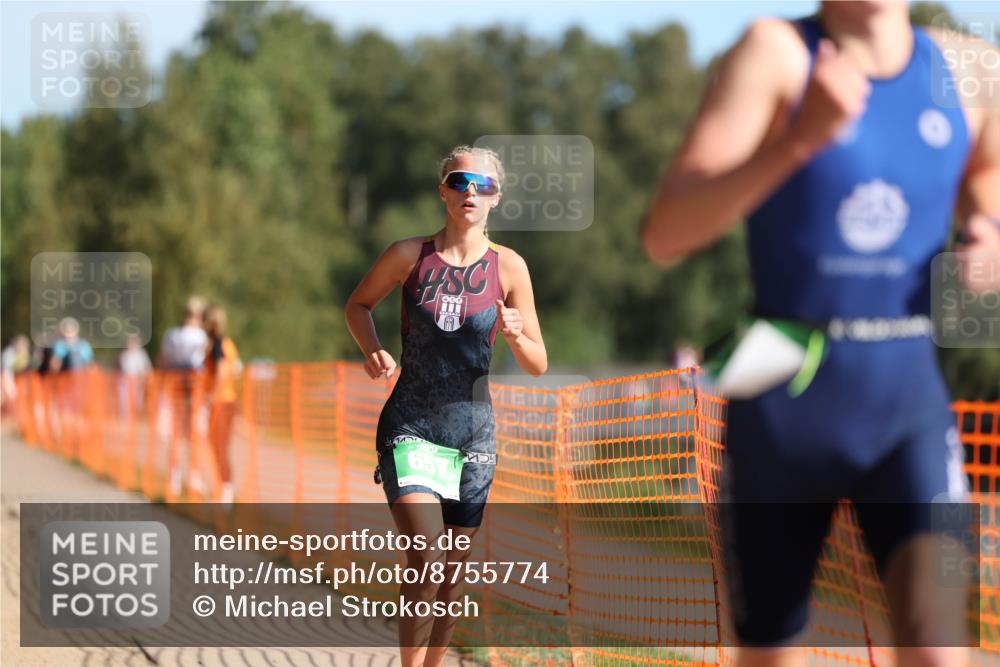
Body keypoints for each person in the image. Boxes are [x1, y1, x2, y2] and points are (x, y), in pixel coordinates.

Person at [641, 2, 999, 666]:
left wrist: (989, 230)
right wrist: (801, 138)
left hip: (909, 404)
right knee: (770, 653)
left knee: (941, 641)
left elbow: (987, 171)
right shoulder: (776, 52)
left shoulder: (971, 67)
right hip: (784, 398)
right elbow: (665, 233)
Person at [345, 145, 547, 667]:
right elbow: (358, 304)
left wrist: (518, 335)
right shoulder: (409, 256)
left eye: (482, 185)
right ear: (443, 191)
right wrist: (372, 350)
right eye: (460, 182)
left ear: (496, 197)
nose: (470, 192)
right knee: (426, 553)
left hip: (473, 434)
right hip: (411, 421)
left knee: (452, 577)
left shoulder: (510, 269)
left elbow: (537, 362)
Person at [158, 295, 210, 498]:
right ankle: (194, 479)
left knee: (176, 436)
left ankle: (175, 478)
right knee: (195, 436)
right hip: (195, 390)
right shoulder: (203, 337)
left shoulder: (173, 335)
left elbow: (163, 361)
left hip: (175, 387)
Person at [202, 304, 241, 505]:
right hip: (226, 400)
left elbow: (222, 371)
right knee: (217, 446)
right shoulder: (226, 344)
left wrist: (211, 396)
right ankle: (224, 489)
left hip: (222, 402)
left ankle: (227, 492)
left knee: (221, 447)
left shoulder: (219, 345)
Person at [118, 333, 152, 418]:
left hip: (137, 382)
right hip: (125, 382)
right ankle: (126, 419)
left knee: (137, 402)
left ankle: (134, 418)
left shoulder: (141, 354)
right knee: (125, 402)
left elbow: (146, 368)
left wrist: (145, 378)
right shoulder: (124, 354)